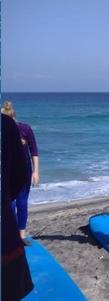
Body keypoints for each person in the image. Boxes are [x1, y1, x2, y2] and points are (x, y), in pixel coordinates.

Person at [2, 113, 34, 301]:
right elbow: (19, 173)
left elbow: (26, 164)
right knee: (9, 300)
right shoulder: (5, 125)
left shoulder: (8, 125)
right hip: (3, 229)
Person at [1, 101, 40, 246]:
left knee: (22, 203)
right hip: (7, 173)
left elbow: (34, 151)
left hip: (24, 172)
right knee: (9, 205)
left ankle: (21, 235)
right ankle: (11, 234)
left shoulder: (25, 129)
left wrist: (36, 171)